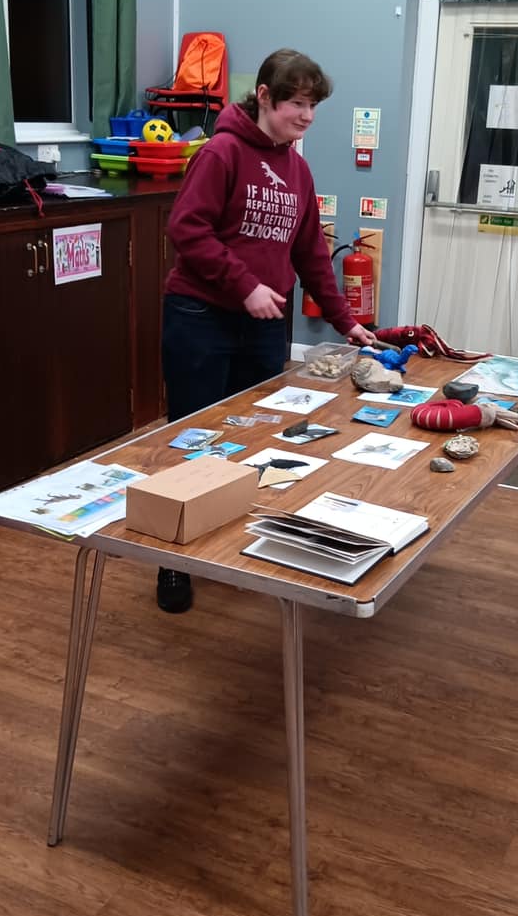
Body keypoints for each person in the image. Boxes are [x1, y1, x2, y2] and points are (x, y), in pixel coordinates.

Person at [158, 48, 376, 612]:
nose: (306, 116)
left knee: (254, 439)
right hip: (201, 317)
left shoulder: (298, 171)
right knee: (195, 440)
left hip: (263, 325)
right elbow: (187, 229)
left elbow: (310, 253)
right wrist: (245, 285)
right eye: (296, 103)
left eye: (313, 106)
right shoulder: (221, 152)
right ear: (264, 96)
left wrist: (346, 321)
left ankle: (226, 543)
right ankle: (173, 563)